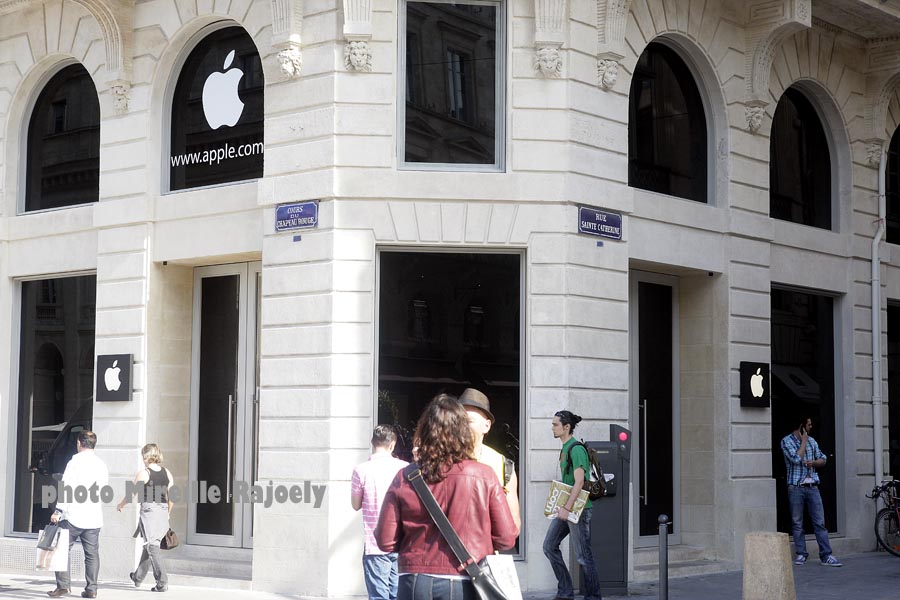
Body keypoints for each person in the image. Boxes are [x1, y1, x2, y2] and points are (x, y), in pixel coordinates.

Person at [375, 394, 517, 600]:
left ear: (425, 432)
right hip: (465, 581)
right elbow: (506, 539)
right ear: (464, 433)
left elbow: (385, 542)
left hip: (413, 579)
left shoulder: (406, 476)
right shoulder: (483, 475)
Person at [543, 410, 602, 600]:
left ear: (566, 427)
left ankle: (593, 597)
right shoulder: (565, 448)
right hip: (567, 509)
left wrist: (566, 508)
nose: (552, 427)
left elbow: (579, 482)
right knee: (549, 546)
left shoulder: (576, 449)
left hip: (579, 510)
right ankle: (566, 592)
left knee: (583, 556)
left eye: (555, 424)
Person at [48, 431, 109, 599]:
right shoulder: (101, 464)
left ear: (79, 443)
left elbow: (67, 487)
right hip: (94, 516)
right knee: (92, 554)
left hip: (73, 515)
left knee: (61, 550)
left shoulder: (74, 462)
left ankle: (63, 586)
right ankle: (92, 589)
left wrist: (58, 510)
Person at [351, 426, 409, 600]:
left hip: (375, 544)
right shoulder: (405, 468)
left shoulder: (361, 470)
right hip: (401, 542)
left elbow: (355, 505)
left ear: (372, 444)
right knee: (399, 595)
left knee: (378, 596)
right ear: (392, 445)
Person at [780, 416, 842, 567]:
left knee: (819, 522)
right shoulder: (786, 441)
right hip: (796, 487)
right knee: (797, 522)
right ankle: (801, 554)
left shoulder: (813, 441)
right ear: (801, 426)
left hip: (812, 487)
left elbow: (823, 459)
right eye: (808, 424)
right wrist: (804, 442)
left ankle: (826, 555)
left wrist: (814, 463)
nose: (811, 426)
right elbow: (796, 458)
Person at [458, 388, 521, 533]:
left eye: (469, 421)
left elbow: (514, 528)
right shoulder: (437, 460)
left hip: (484, 551)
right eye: (458, 420)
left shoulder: (503, 465)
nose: (462, 426)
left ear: (486, 426)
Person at [117, 443, 175, 592]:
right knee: (150, 544)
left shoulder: (144, 473)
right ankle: (138, 577)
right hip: (162, 510)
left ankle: (162, 582)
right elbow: (172, 496)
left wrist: (121, 505)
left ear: (147, 456)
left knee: (152, 546)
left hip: (150, 510)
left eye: (143, 455)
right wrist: (167, 512)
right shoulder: (167, 472)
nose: (142, 458)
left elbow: (131, 494)